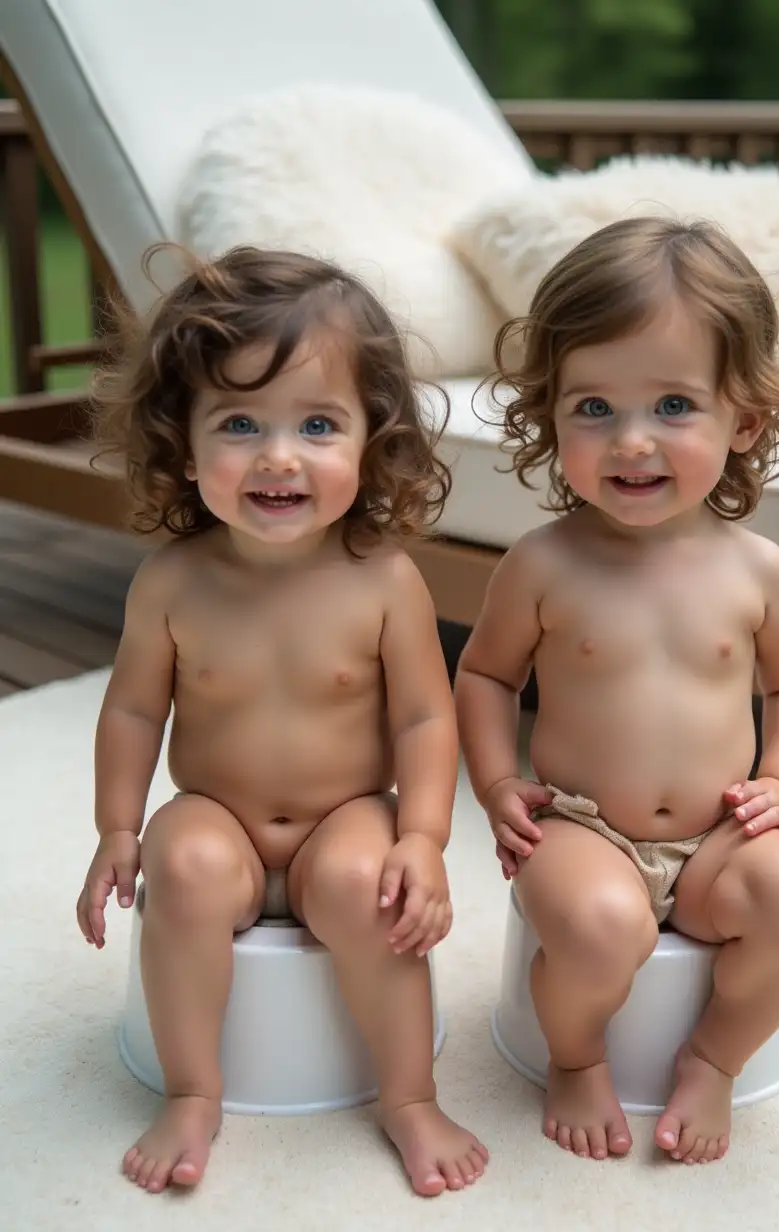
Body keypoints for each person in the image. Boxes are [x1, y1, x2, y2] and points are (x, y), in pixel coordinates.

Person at [76, 246, 488, 1197]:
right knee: (183, 869)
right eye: (239, 424)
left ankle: (409, 1097)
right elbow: (134, 708)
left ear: (370, 440)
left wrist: (421, 839)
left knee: (367, 888)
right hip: (213, 809)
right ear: (183, 442)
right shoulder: (174, 580)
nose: (278, 456)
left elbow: (428, 719)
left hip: (344, 811)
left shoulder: (383, 579)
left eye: (316, 424)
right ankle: (193, 1090)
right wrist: (116, 828)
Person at [454, 216, 779, 1167]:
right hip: (584, 829)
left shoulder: (758, 569)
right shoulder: (543, 564)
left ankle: (715, 1056)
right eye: (593, 409)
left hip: (715, 840)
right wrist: (499, 787)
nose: (631, 442)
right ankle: (577, 1056)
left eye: (673, 405)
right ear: (551, 416)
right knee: (600, 924)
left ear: (742, 421)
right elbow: (486, 673)